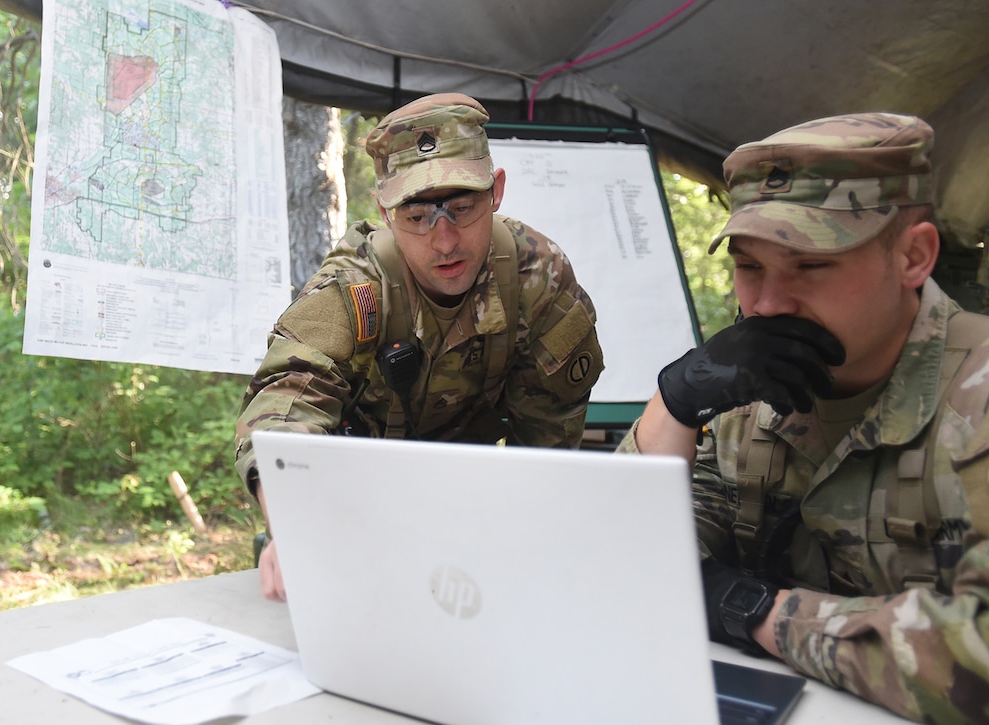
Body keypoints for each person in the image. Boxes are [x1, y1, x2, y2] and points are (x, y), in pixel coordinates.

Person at [618, 112, 989, 722]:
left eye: (810, 265)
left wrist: (759, 612)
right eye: (749, 266)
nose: (767, 304)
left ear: (914, 257)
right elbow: (623, 565)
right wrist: (676, 401)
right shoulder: (746, 402)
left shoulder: (972, 398)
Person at [236, 93, 604, 602]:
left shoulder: (536, 280)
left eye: (462, 207)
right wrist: (294, 522)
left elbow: (546, 449)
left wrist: (522, 555)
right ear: (385, 212)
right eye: (417, 215)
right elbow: (280, 410)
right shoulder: (355, 290)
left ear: (495, 192)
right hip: (351, 514)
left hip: (476, 513)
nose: (446, 239)